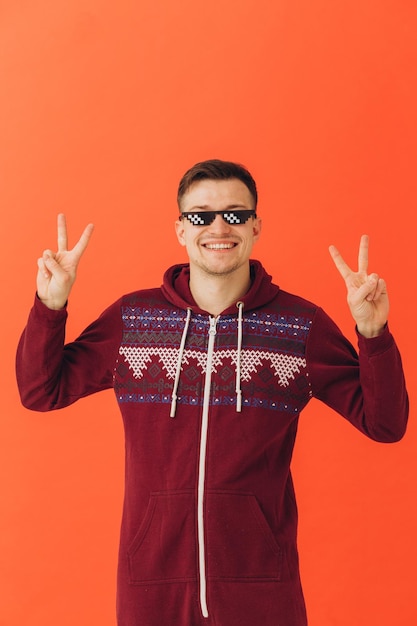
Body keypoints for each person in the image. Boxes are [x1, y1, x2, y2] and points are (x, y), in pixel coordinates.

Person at [16, 159, 408, 626]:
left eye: (236, 214)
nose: (219, 227)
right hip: (152, 587)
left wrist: (373, 333)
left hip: (262, 587)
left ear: (257, 226)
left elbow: (385, 424)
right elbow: (40, 390)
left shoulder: (299, 326)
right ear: (180, 229)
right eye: (201, 216)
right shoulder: (135, 321)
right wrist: (50, 305)